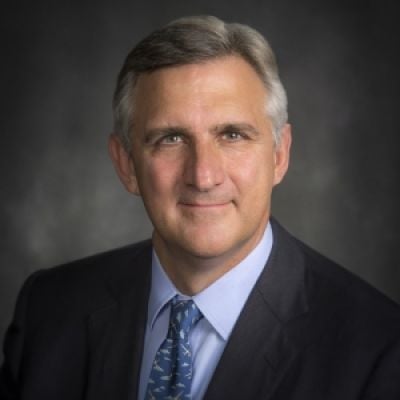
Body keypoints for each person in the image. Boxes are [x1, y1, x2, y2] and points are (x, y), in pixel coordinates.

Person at [1, 15, 399, 400]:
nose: (203, 175)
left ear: (279, 154)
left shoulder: (379, 351)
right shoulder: (48, 311)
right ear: (126, 165)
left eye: (232, 134)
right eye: (171, 138)